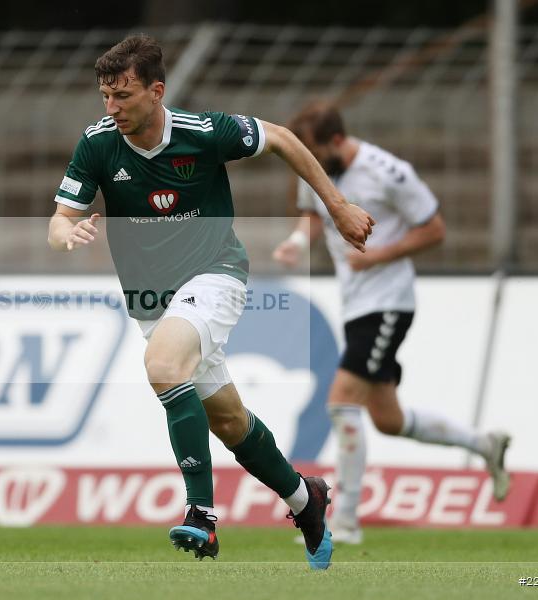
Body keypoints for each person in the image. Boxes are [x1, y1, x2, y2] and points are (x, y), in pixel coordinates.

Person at [47, 35, 374, 569]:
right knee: (228, 421)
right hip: (152, 302)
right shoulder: (98, 143)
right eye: (105, 96)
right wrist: (68, 233)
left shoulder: (203, 133)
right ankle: (305, 499)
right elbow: (59, 221)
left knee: (162, 366)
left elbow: (284, 139)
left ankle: (202, 513)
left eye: (123, 95)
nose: (112, 108)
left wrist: (336, 207)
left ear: (157, 91)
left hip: (215, 274)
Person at [273, 100, 511, 544]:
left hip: (388, 302)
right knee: (387, 418)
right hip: (356, 304)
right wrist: (295, 243)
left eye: (314, 154)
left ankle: (344, 521)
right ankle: (485, 444)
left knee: (340, 399)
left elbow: (434, 228)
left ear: (337, 142)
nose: (308, 164)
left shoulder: (389, 172)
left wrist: (378, 254)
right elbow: (312, 216)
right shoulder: (316, 166)